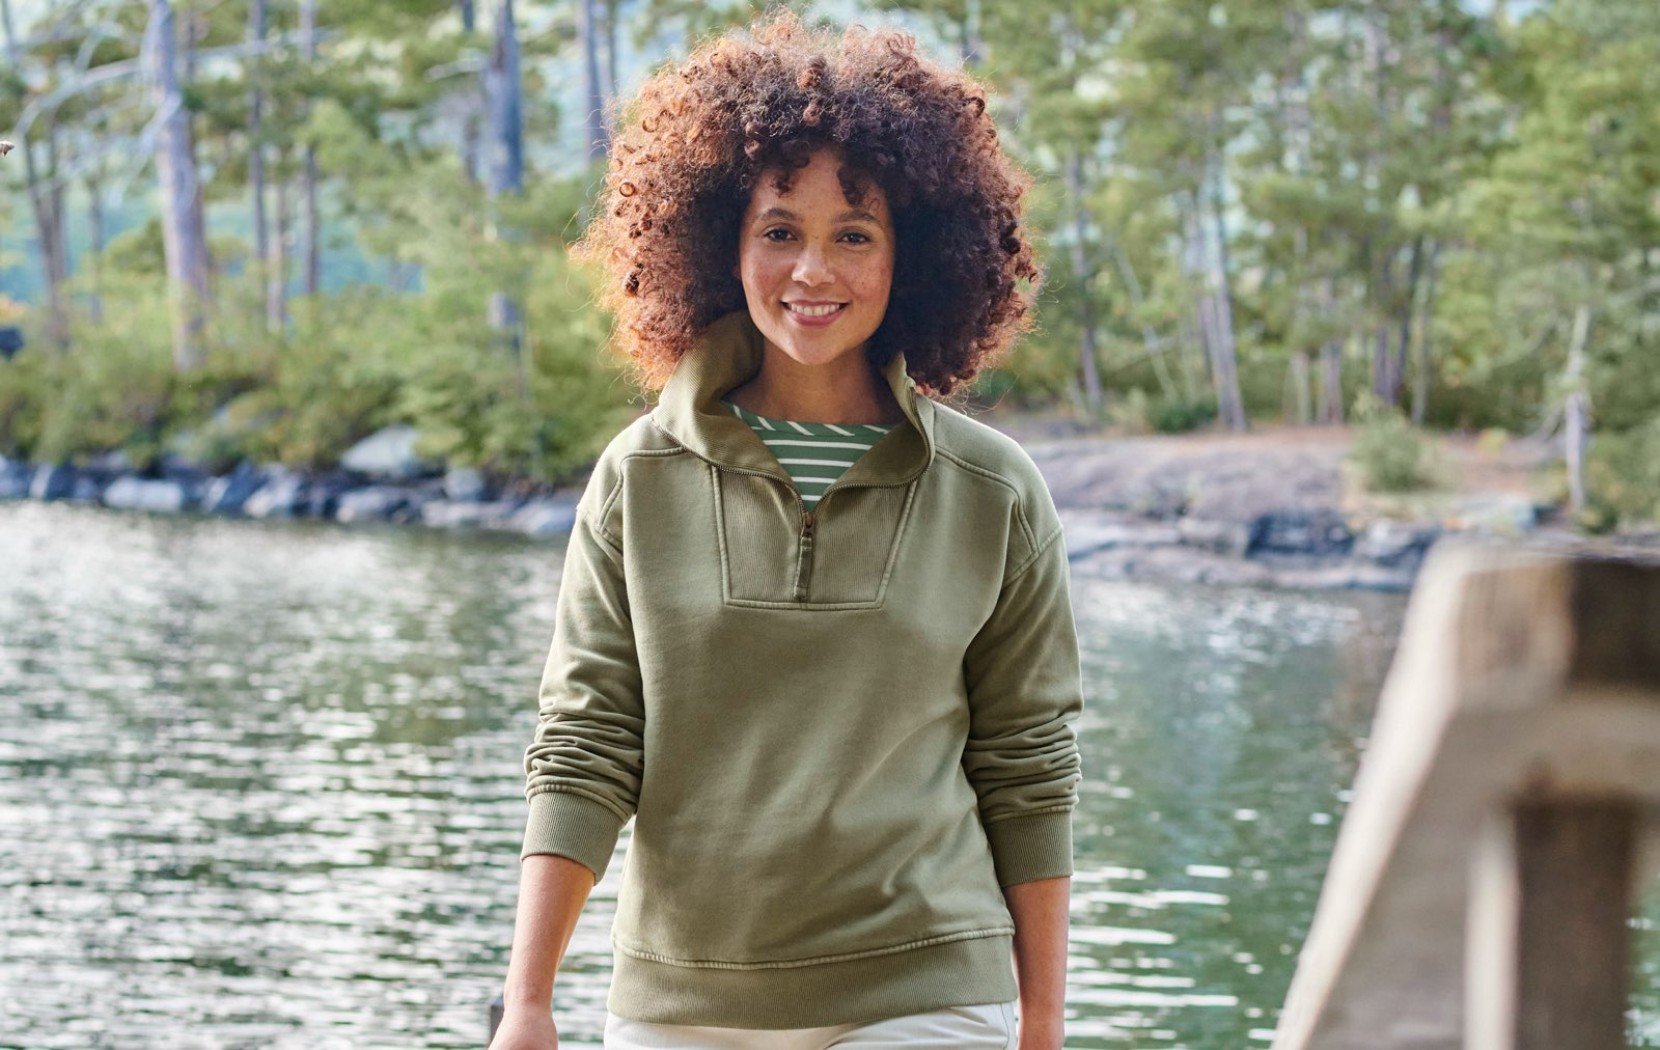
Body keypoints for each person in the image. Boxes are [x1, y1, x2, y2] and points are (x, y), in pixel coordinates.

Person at [490, 11, 1085, 1050]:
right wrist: (528, 1004)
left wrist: (1041, 1027)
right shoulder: (636, 480)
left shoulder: (993, 491)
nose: (813, 271)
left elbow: (1027, 767)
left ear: (913, 257)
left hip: (928, 989)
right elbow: (586, 742)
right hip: (682, 1005)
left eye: (853, 234)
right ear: (721, 241)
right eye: (780, 231)